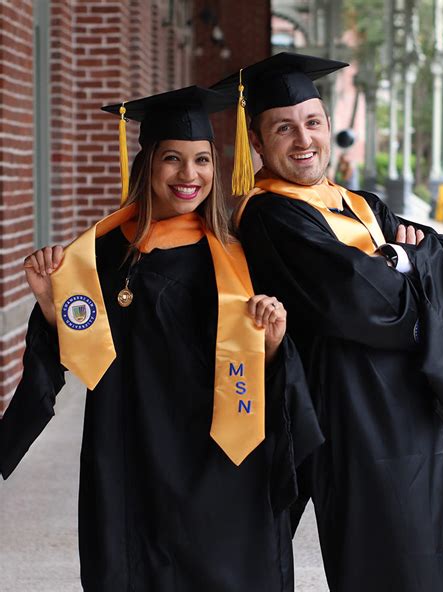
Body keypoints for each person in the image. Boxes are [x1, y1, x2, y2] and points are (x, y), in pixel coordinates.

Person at [0, 86, 322, 592]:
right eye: (172, 159)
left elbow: (278, 377)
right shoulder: (102, 255)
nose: (188, 175)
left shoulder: (241, 257)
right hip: (134, 453)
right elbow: (84, 357)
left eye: (201, 160)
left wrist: (274, 341)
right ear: (146, 166)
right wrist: (49, 302)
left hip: (224, 464)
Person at [213, 53, 443, 591]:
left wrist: (397, 262)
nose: (302, 139)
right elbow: (353, 296)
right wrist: (404, 263)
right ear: (257, 143)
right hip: (360, 416)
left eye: (312, 122)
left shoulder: (362, 203)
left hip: (425, 407)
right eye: (283, 128)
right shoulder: (269, 215)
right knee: (391, 555)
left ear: (329, 126)